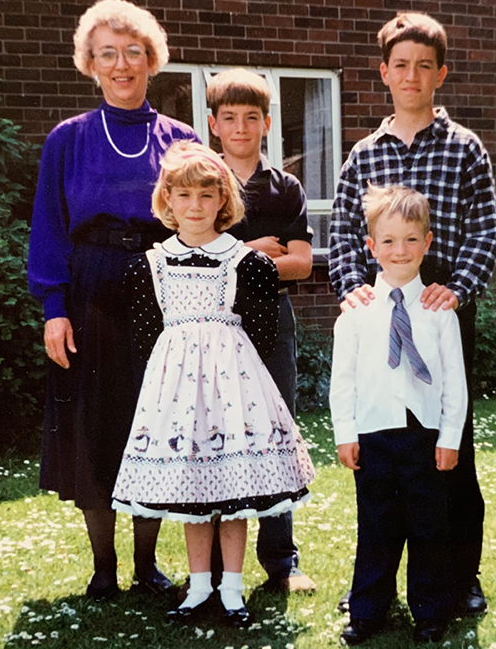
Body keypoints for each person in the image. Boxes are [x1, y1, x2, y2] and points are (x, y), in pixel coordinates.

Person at [28, 0, 200, 602]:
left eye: (133, 52)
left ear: (152, 60)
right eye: (108, 55)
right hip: (90, 286)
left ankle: (148, 565)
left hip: (162, 283)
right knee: (95, 426)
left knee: (152, 422)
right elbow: (48, 226)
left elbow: (200, 220)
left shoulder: (180, 139)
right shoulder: (67, 139)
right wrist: (54, 309)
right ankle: (104, 567)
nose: (122, 65)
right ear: (91, 65)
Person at [329, 12, 496, 617]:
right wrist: (351, 287)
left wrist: (457, 288)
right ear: (384, 73)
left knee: (450, 447)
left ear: (441, 74)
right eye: (401, 65)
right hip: (378, 318)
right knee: (382, 455)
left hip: (437, 310)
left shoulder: (464, 149)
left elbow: (484, 231)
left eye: (424, 65)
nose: (412, 75)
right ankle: (374, 587)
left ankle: (458, 576)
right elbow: (345, 231)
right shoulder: (363, 154)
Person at [111, 141, 316, 628]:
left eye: (207, 196)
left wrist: (231, 368)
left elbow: (262, 332)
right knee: (193, 492)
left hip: (232, 387)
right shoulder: (151, 265)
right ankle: (198, 584)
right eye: (184, 196)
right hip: (177, 391)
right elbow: (146, 334)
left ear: (223, 202)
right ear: (168, 201)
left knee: (234, 487)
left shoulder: (247, 263)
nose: (195, 206)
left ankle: (232, 588)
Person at [330, 184, 468, 644]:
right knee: (376, 525)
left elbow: (454, 381)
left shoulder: (439, 310)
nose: (400, 250)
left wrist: (450, 437)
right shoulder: (355, 312)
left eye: (411, 239)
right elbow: (343, 380)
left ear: (428, 242)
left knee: (429, 525)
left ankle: (430, 609)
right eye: (388, 241)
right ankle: (368, 608)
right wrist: (345, 433)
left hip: (423, 436)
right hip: (373, 435)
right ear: (371, 247)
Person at [205, 68, 317, 593]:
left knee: (276, 433)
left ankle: (282, 561)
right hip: (211, 327)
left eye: (252, 117)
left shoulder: (285, 187)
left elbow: (302, 263)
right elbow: (193, 258)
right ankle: (208, 569)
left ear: (267, 123)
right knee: (211, 436)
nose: (241, 127)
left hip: (272, 322)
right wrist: (252, 252)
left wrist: (251, 260)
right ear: (213, 124)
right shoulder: (201, 182)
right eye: (230, 118)